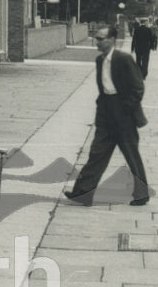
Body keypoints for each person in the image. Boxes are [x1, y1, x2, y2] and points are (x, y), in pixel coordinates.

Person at [64, 25, 150, 206]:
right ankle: (83, 193)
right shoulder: (99, 60)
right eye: (97, 38)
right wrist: (101, 108)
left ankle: (142, 195)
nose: (97, 42)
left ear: (111, 40)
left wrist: (126, 108)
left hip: (124, 114)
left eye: (101, 39)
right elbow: (103, 88)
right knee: (97, 154)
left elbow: (138, 87)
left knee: (131, 155)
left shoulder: (124, 59)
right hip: (106, 114)